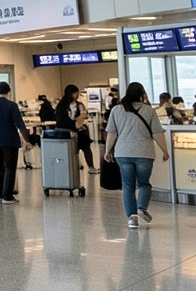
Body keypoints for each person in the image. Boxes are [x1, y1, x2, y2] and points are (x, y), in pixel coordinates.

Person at [105, 82, 169, 230]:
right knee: (144, 183)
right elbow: (157, 133)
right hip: (144, 153)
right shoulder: (149, 110)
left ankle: (132, 219)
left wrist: (107, 151)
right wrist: (165, 151)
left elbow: (112, 133)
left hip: (123, 153)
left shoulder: (117, 110)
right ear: (142, 94)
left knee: (128, 186)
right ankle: (141, 208)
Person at [0, 81, 33, 204]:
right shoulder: (11, 106)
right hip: (9, 140)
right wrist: (27, 140)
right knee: (10, 168)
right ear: (9, 92)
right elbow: (20, 124)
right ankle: (7, 196)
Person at [55, 85, 97, 174]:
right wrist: (75, 121)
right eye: (75, 93)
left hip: (79, 130)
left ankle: (91, 166)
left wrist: (78, 120)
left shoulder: (79, 105)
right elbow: (62, 119)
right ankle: (74, 165)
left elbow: (83, 115)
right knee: (73, 150)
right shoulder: (62, 106)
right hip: (67, 131)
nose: (77, 95)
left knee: (86, 147)